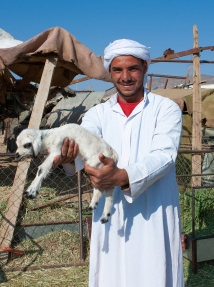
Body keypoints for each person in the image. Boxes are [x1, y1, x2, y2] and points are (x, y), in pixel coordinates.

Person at [55, 39, 184, 287]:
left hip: (154, 213)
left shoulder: (165, 109)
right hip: (111, 216)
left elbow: (163, 155)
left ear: (145, 67)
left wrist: (122, 177)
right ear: (110, 73)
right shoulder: (97, 114)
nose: (125, 77)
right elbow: (83, 147)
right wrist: (68, 156)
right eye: (117, 70)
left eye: (132, 68)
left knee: (154, 272)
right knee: (111, 276)